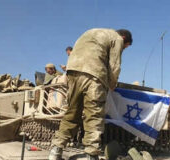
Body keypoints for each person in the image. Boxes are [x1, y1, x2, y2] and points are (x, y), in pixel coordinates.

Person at [49, 28, 132, 160]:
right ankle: (91, 154)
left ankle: (56, 150)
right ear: (124, 38)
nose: (123, 48)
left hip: (73, 70)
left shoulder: (92, 32)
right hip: (94, 73)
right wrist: (112, 85)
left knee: (72, 112)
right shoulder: (117, 38)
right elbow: (114, 65)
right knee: (94, 115)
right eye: (125, 47)